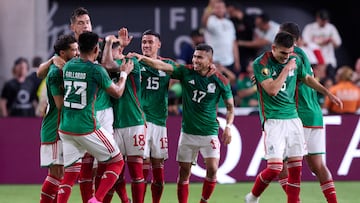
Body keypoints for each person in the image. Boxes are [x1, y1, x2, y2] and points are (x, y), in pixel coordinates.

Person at [128, 43, 234, 203]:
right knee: (184, 173)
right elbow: (162, 66)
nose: (195, 60)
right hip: (188, 133)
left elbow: (230, 107)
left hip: (210, 132)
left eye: (200, 57)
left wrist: (228, 127)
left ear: (210, 60)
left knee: (212, 169)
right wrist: (143, 58)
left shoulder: (220, 80)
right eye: (194, 56)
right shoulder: (186, 72)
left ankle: (203, 201)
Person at [244, 32, 342, 203]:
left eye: (289, 53)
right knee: (275, 168)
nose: (286, 57)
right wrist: (286, 68)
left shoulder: (294, 57)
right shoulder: (261, 63)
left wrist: (327, 93)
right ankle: (252, 197)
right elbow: (272, 90)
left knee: (296, 170)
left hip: (294, 119)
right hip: (273, 121)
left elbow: (306, 78)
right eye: (283, 53)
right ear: (273, 48)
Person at [59, 31, 133, 203]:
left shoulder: (69, 66)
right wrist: (123, 74)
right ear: (95, 49)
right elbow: (117, 93)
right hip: (86, 126)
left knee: (69, 173)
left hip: (65, 127)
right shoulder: (96, 70)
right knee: (116, 161)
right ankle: (97, 200)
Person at [278, 22, 340, 203]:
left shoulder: (291, 57)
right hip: (315, 114)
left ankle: (294, 201)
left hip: (299, 115)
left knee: (279, 164)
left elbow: (285, 81)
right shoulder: (304, 53)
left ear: (285, 37)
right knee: (317, 165)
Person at [102, 28, 146, 203]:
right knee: (115, 172)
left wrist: (113, 44)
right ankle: (125, 200)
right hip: (114, 125)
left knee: (136, 172)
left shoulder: (131, 62)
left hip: (134, 122)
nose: (107, 56)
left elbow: (108, 64)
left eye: (112, 50)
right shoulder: (105, 70)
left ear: (119, 51)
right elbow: (106, 64)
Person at [137, 29, 176, 203]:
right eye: (144, 42)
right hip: (141, 121)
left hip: (160, 122)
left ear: (158, 45)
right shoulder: (135, 62)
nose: (146, 45)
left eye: (150, 42)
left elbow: (191, 72)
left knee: (159, 173)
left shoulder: (168, 65)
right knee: (143, 168)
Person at [38, 34, 78, 203]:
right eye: (73, 50)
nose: (76, 53)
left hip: (62, 128)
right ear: (62, 53)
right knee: (57, 174)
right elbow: (60, 104)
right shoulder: (55, 73)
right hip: (54, 128)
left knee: (60, 174)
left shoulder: (65, 68)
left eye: (77, 49)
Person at [202, 0, 240, 75]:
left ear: (225, 9)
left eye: (222, 7)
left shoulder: (229, 23)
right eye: (217, 7)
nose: (220, 10)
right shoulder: (211, 20)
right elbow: (204, 21)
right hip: (214, 61)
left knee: (229, 85)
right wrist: (210, 5)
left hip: (229, 61)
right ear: (213, 9)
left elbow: (233, 43)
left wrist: (237, 61)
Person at [302, 9, 342, 82]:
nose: (323, 22)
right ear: (318, 18)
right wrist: (321, 42)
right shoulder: (310, 27)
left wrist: (330, 40)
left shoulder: (331, 28)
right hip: (315, 61)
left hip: (329, 60)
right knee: (314, 82)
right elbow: (305, 42)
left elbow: (338, 43)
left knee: (329, 81)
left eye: (325, 20)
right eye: (322, 20)